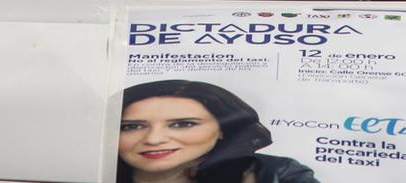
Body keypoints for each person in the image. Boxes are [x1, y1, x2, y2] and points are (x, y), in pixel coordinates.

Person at [117, 81, 319, 183]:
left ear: (223, 129)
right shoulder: (91, 171)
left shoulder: (276, 173)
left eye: (183, 124)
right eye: (131, 126)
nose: (153, 139)